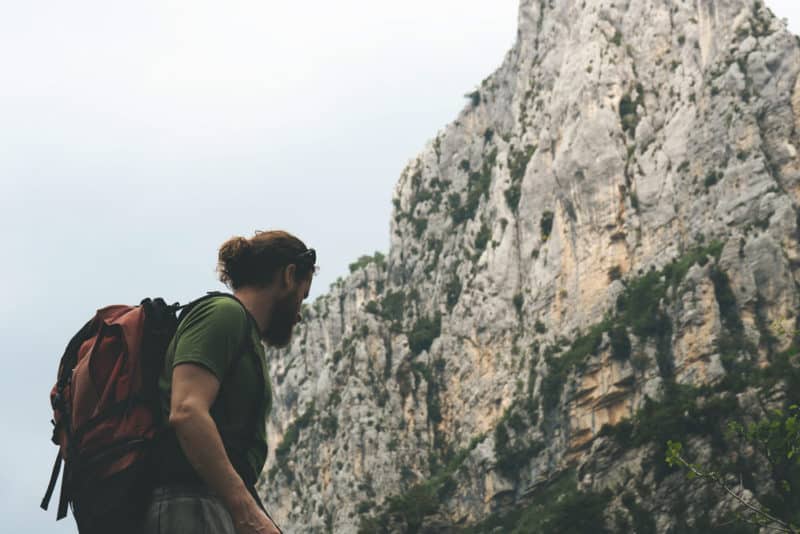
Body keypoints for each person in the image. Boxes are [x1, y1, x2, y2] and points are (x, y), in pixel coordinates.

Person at [142, 230, 315, 534]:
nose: (300, 314)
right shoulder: (223, 314)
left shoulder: (244, 333)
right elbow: (186, 410)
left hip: (211, 504)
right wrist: (244, 510)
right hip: (189, 504)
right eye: (303, 295)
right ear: (288, 277)